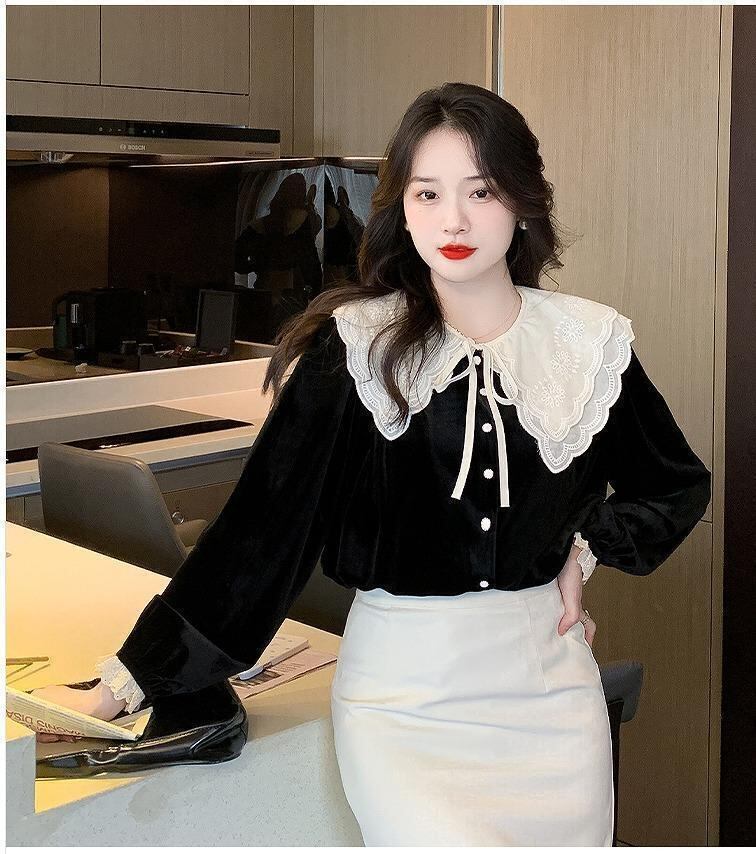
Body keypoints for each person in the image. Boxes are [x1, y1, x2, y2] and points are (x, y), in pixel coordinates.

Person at [30, 82, 711, 846]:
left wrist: (586, 550)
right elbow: (259, 537)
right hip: (402, 705)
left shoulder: (587, 342)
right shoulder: (354, 347)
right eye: (428, 193)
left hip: (553, 703)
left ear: (522, 201)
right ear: (403, 210)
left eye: (480, 191)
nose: (453, 219)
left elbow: (675, 484)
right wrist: (128, 682)